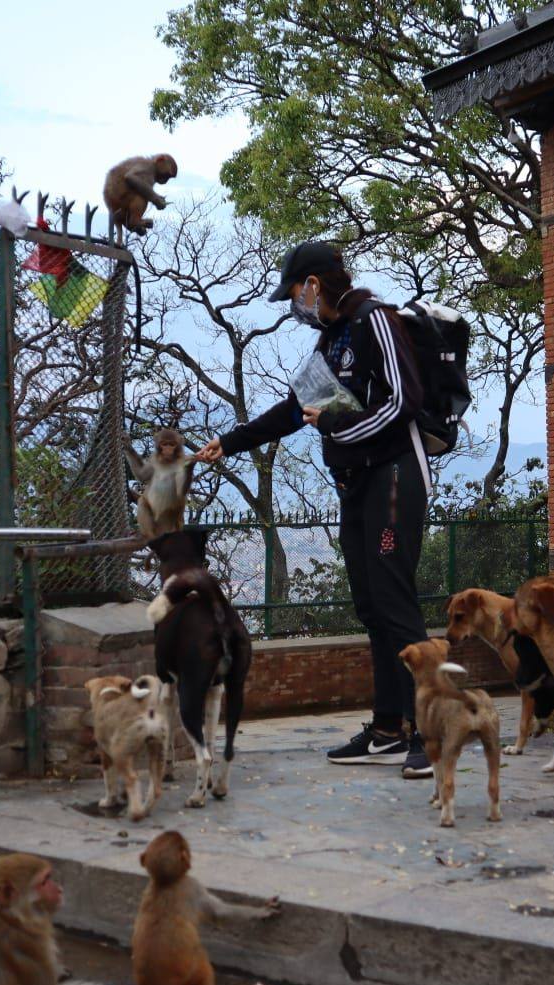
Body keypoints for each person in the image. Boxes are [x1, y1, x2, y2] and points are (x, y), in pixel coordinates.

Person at [195, 241, 433, 778]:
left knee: (396, 604)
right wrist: (231, 443)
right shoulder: (332, 338)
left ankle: (433, 730)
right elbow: (295, 406)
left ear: (314, 285)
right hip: (357, 482)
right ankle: (388, 728)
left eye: (294, 295)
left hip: (395, 476)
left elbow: (403, 401)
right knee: (371, 606)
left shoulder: (376, 321)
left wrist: (335, 426)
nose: (293, 305)